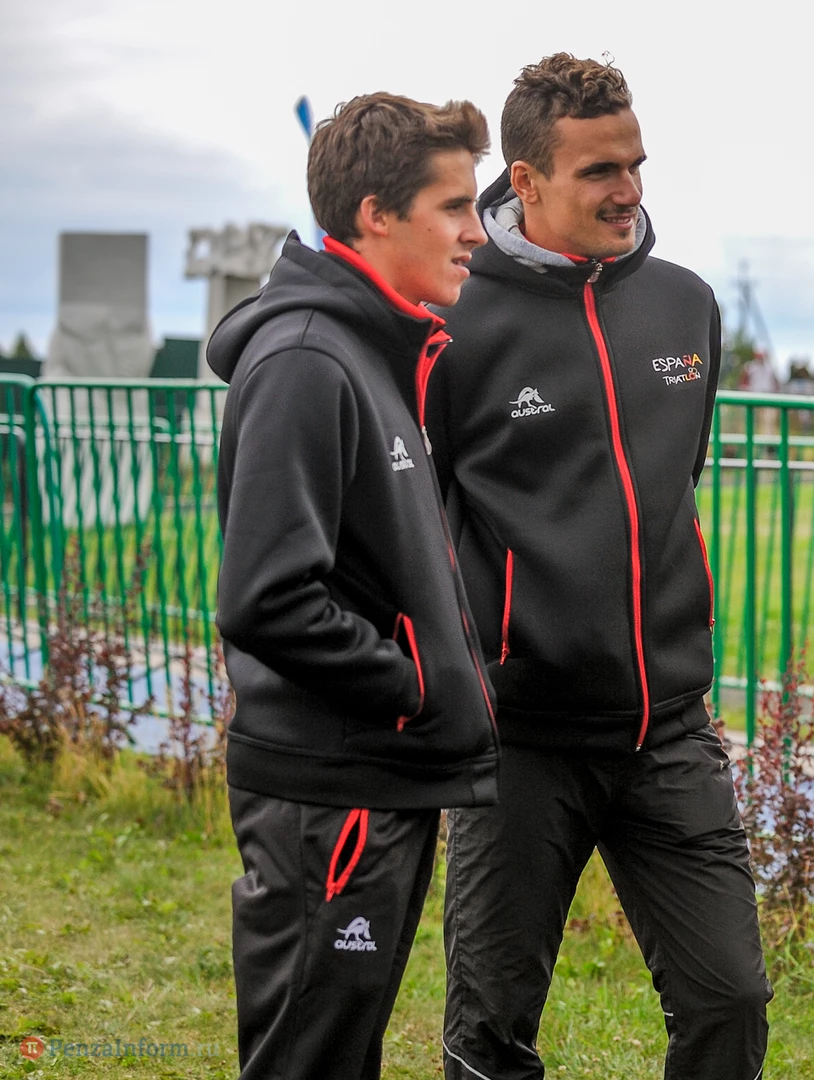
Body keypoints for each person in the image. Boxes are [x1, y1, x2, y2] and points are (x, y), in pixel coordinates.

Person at [424, 55, 770, 1080]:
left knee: (731, 1001)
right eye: (599, 171)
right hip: (520, 735)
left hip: (668, 727)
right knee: (490, 1028)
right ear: (527, 181)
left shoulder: (684, 304)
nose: (629, 189)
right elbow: (416, 512)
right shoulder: (455, 318)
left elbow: (670, 483)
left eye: (636, 164)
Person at [209, 93, 497, 1080]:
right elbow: (267, 597)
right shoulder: (306, 360)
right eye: (453, 206)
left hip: (372, 780)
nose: (475, 231)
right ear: (376, 214)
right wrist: (412, 687)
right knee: (310, 1058)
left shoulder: (374, 351)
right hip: (333, 793)